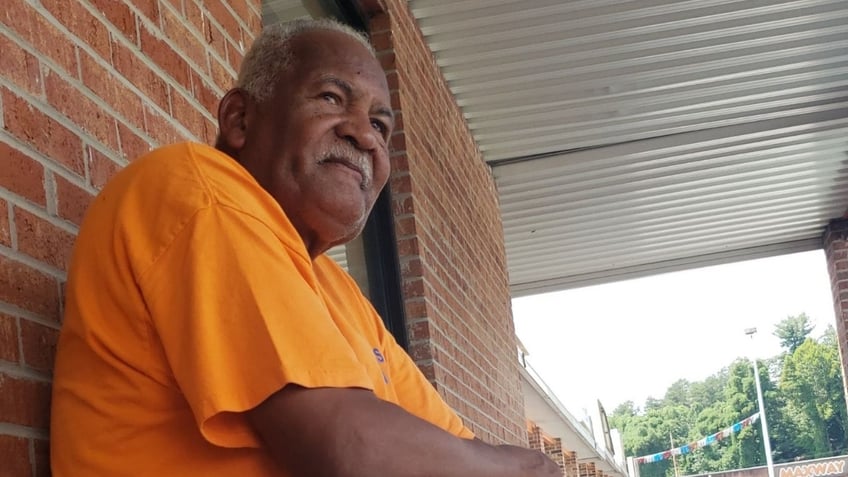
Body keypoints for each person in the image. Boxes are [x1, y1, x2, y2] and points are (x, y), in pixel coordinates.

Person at [50, 18, 561, 477]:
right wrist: (523, 466)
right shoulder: (200, 192)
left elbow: (449, 448)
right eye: (331, 99)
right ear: (240, 120)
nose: (365, 135)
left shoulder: (337, 291)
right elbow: (351, 452)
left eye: (381, 126)